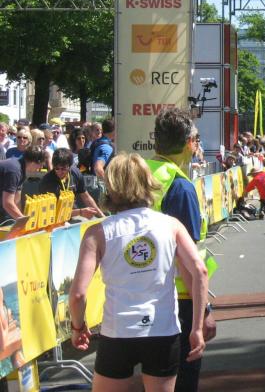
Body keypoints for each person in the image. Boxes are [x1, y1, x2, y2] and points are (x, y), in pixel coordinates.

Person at [69, 152, 208, 392]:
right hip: (162, 329)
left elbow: (78, 294)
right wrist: (197, 327)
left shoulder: (98, 233)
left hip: (118, 330)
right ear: (147, 182)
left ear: (111, 186)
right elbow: (200, 271)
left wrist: (78, 326)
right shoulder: (171, 225)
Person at [146, 108, 216, 392]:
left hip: (138, 292)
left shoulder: (140, 174)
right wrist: (204, 310)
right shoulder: (180, 187)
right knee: (182, 378)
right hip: (179, 297)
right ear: (189, 143)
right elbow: (189, 260)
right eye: (196, 139)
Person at [37, 148, 103, 219]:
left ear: (70, 166)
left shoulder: (75, 173)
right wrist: (80, 212)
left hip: (73, 213)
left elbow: (86, 197)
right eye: (56, 168)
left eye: (63, 169)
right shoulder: (47, 182)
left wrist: (102, 216)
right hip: (54, 218)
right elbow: (53, 212)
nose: (59, 172)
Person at [0, 146, 46, 221]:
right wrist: (24, 221)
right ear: (33, 162)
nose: (41, 167)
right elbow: (7, 203)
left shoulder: (22, 169)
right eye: (41, 164)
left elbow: (16, 201)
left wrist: (20, 218)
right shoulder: (14, 171)